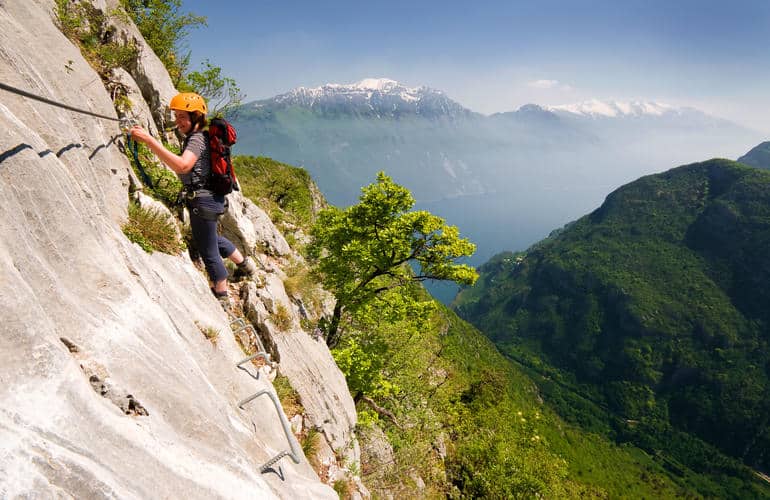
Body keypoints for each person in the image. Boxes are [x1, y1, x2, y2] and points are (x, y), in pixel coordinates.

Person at [129, 92, 257, 305]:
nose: (177, 121)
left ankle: (222, 294)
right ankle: (245, 266)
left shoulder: (197, 139)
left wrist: (148, 140)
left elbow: (183, 165)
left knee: (208, 250)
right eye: (176, 116)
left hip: (203, 201)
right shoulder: (202, 137)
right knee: (211, 239)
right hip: (212, 199)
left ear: (196, 116)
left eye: (182, 117)